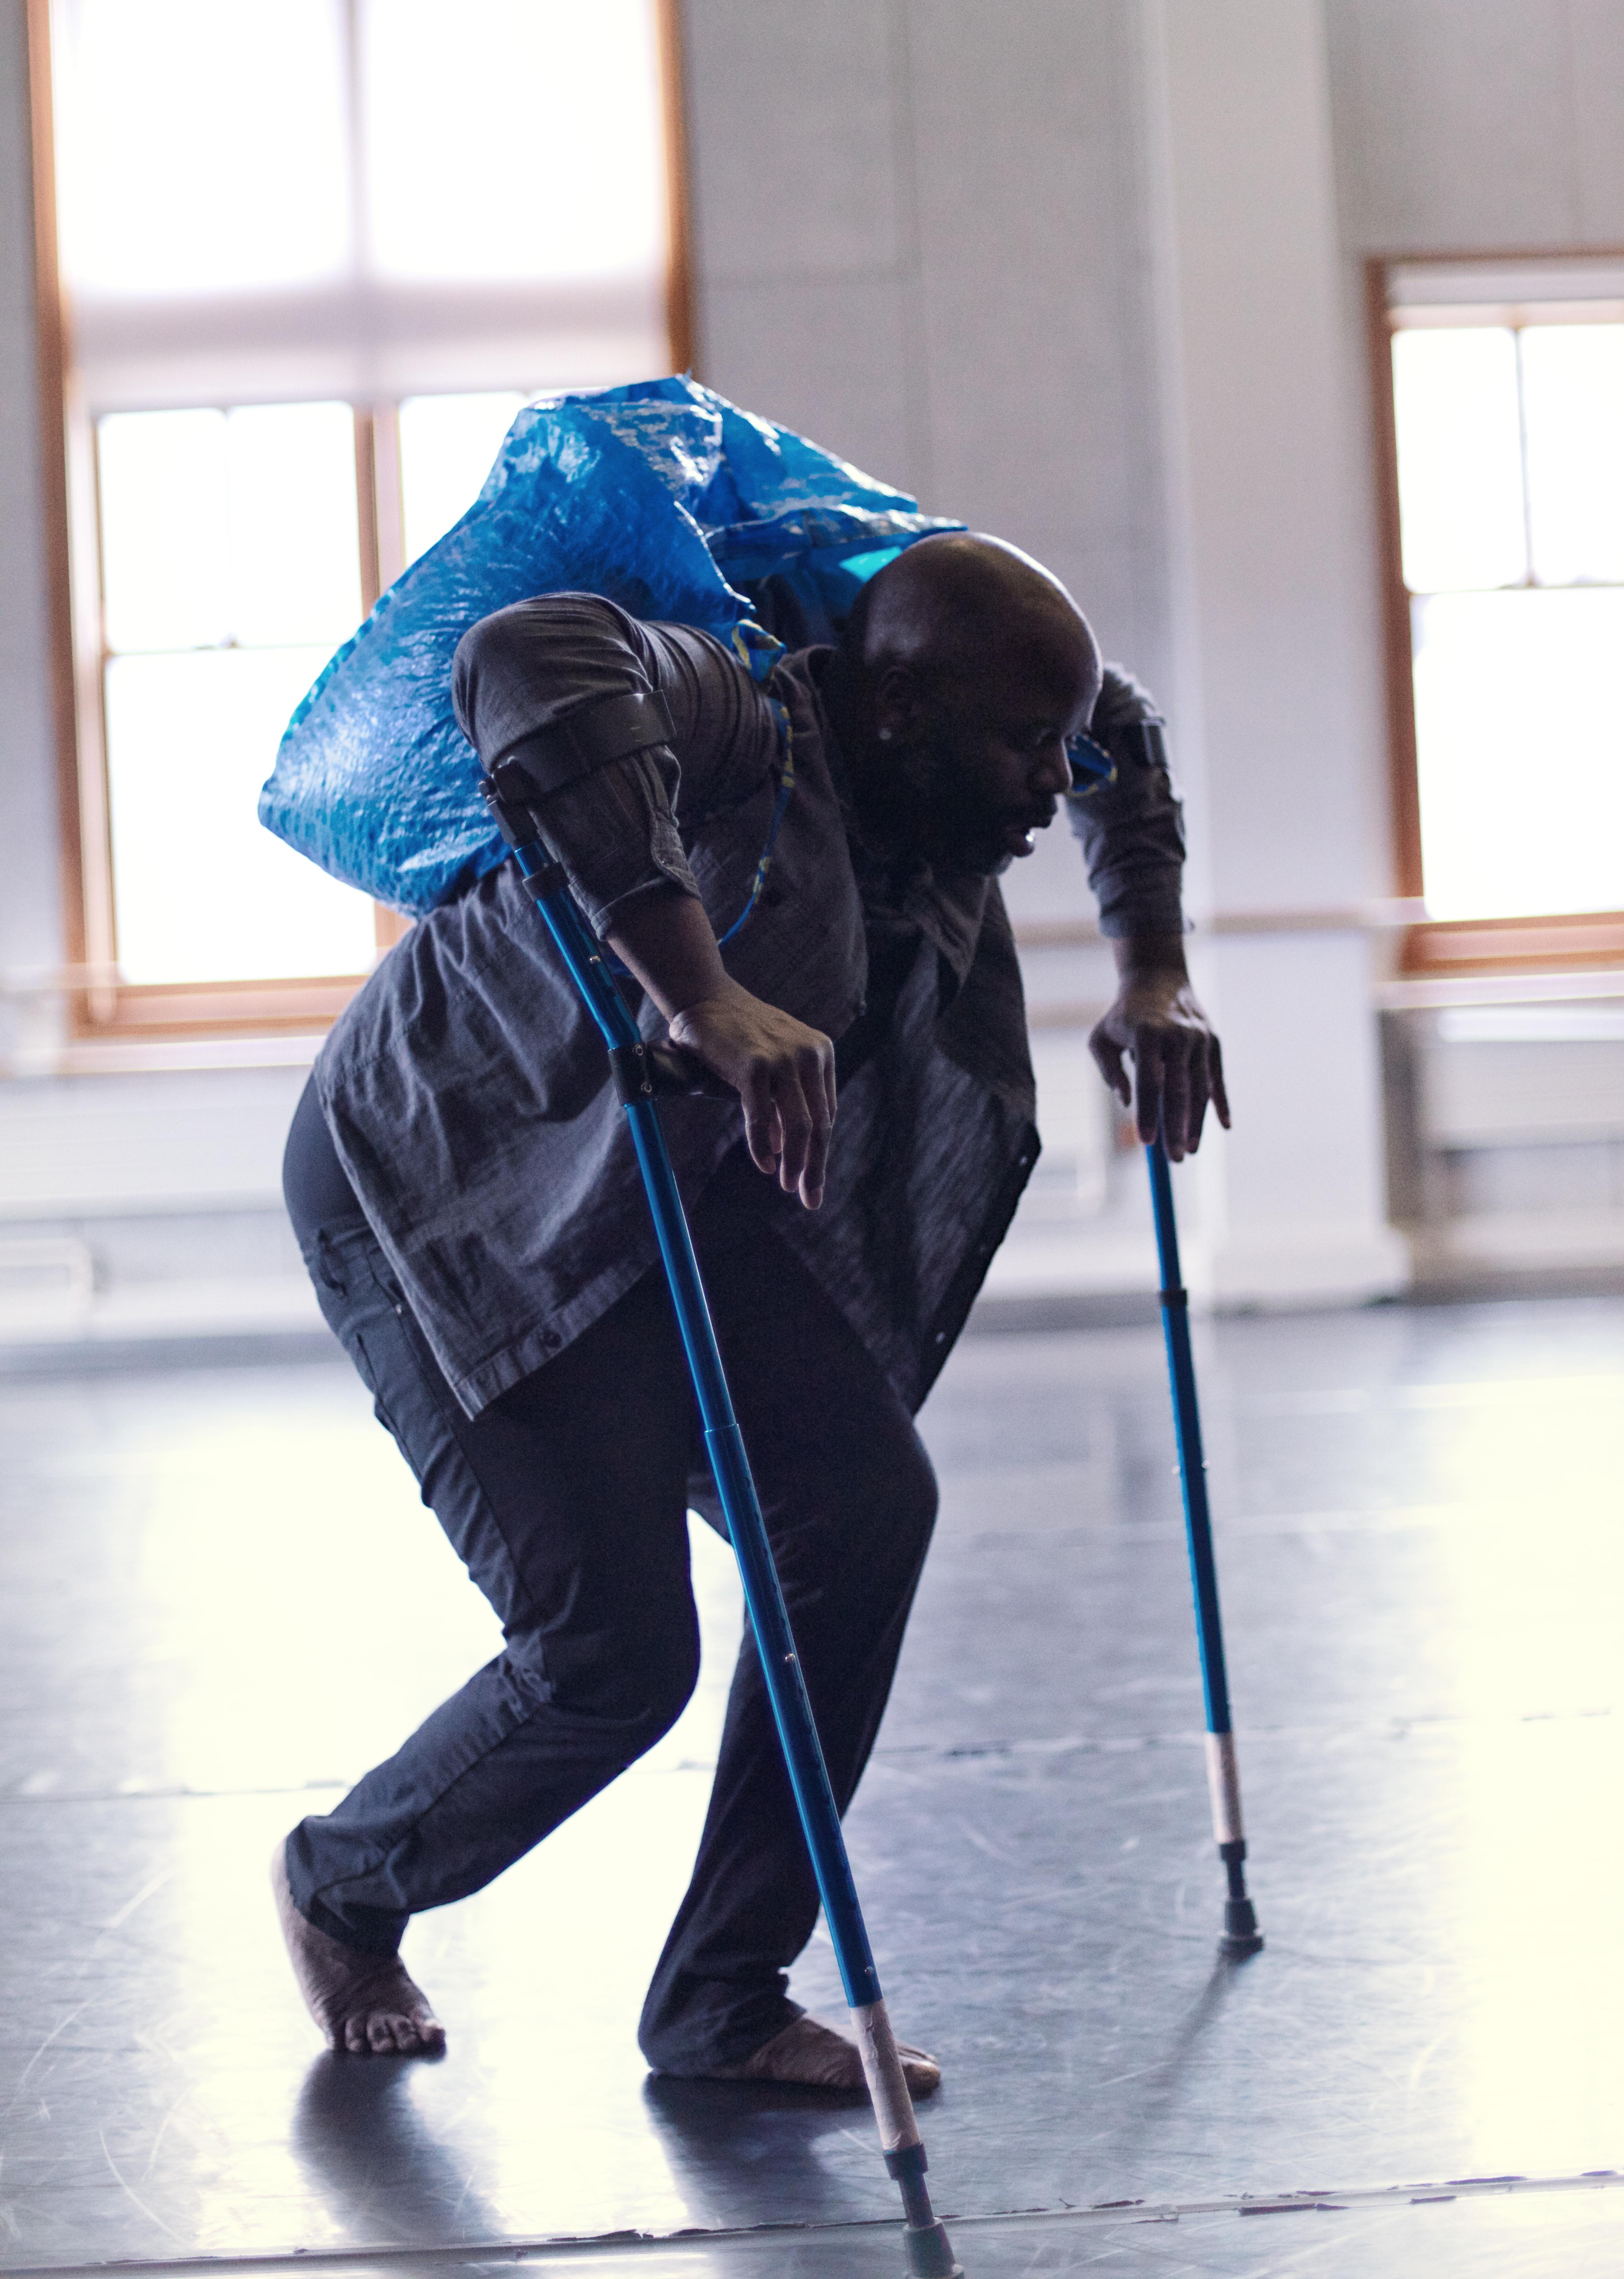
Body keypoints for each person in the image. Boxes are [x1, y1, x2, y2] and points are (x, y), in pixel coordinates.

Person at [272, 530, 1226, 2083]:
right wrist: (696, 986)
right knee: (612, 1652)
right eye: (1019, 748)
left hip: (657, 1163)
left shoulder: (974, 762)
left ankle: (721, 1998)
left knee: (858, 1509)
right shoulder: (739, 712)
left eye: (1055, 754)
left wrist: (1155, 974)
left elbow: (1115, 731)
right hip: (441, 1169)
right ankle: (343, 1882)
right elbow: (528, 657)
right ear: (899, 709)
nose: (1054, 787)